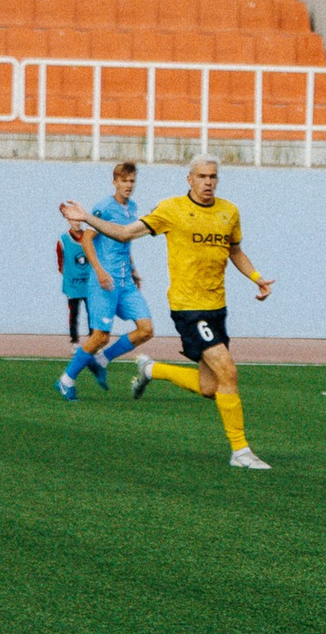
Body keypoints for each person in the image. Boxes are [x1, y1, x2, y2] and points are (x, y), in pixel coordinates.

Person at [61, 157, 275, 470]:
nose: (208, 182)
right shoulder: (171, 209)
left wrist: (257, 278)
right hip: (189, 308)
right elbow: (124, 233)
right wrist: (87, 218)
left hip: (217, 307)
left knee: (210, 387)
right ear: (190, 179)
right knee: (228, 372)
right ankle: (240, 451)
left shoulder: (229, 211)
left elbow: (235, 251)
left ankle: (152, 370)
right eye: (202, 176)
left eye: (213, 176)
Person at [56, 162, 155, 399]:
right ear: (115, 182)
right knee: (100, 336)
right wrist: (99, 271)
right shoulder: (103, 207)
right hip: (104, 281)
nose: (128, 185)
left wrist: (133, 270)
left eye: (132, 181)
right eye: (124, 181)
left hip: (125, 282)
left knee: (146, 330)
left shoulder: (132, 208)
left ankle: (101, 361)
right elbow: (87, 240)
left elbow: (124, 240)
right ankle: (66, 380)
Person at [57, 224, 94, 348]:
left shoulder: (91, 238)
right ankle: (74, 341)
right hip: (73, 286)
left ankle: (94, 341)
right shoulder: (63, 240)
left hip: (89, 285)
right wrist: (69, 275)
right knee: (74, 313)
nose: (76, 223)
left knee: (93, 313)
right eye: (73, 220)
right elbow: (60, 262)